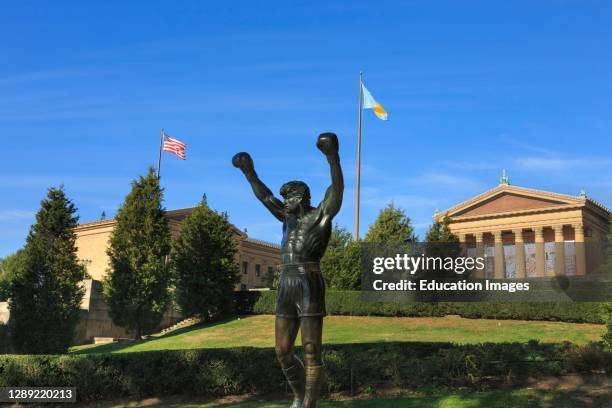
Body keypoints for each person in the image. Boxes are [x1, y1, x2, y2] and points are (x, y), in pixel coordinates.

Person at [232, 132, 343, 408]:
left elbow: (337, 189)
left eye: (288, 197)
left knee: (310, 349)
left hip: (309, 279)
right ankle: (298, 394)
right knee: (282, 351)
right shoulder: (287, 219)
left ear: (300, 197)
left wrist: (332, 156)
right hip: (286, 281)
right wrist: (249, 171)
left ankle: (308, 403)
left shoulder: (321, 215)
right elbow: (264, 196)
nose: (284, 202)